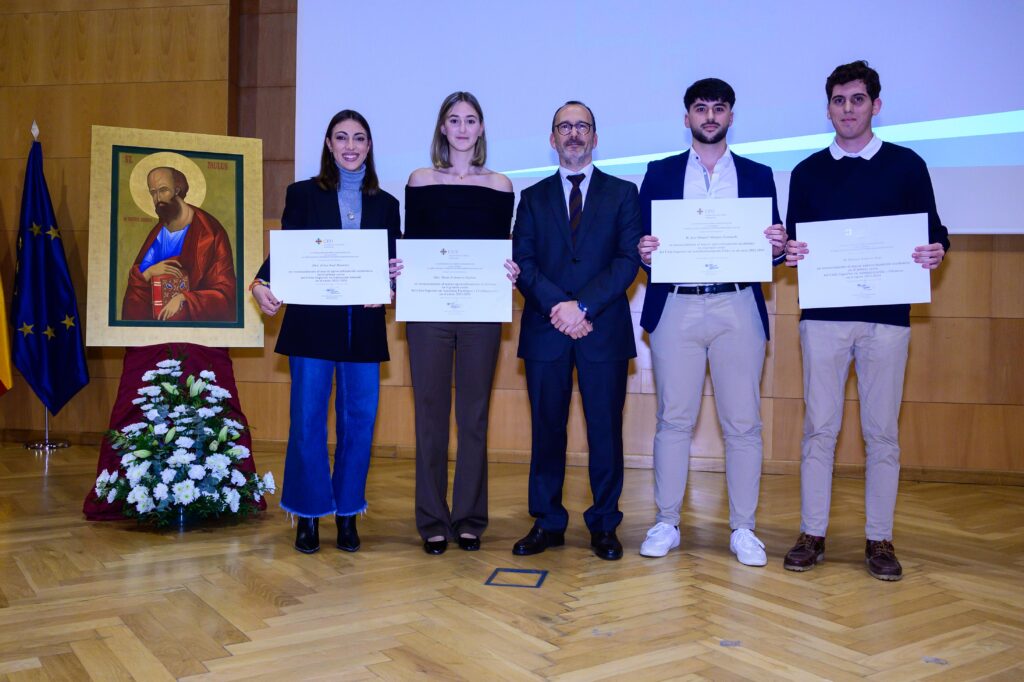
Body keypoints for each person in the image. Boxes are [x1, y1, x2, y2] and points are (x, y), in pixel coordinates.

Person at [783, 61, 949, 580]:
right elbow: (793, 238)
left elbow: (935, 231)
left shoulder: (907, 165)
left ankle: (880, 539)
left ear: (875, 105)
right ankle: (812, 534)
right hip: (823, 319)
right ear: (828, 108)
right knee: (819, 430)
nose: (847, 109)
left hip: (887, 320)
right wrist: (791, 250)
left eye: (857, 99)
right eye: (839, 100)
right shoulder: (807, 171)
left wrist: (937, 249)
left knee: (882, 434)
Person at [636, 78, 787, 566]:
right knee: (672, 420)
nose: (709, 116)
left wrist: (778, 246)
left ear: (731, 117)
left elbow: (773, 249)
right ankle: (666, 521)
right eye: (700, 108)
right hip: (676, 304)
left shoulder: (758, 175)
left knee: (743, 423)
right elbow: (641, 242)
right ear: (687, 118)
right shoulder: (658, 173)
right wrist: (644, 251)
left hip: (737, 304)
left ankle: (744, 528)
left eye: (718, 108)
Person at [251, 109, 401, 554]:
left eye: (359, 138)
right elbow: (288, 251)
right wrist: (260, 283)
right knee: (307, 421)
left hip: (363, 325)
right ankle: (309, 512)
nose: (350, 146)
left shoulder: (387, 204)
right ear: (329, 145)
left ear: (369, 146)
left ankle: (349, 511)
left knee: (360, 422)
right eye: (342, 137)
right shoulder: (302, 194)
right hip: (311, 325)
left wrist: (392, 282)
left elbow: (393, 264)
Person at [511, 101, 643, 561]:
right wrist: (560, 308)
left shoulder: (623, 193)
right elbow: (524, 262)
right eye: (564, 127)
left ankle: (604, 524)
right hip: (546, 330)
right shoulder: (531, 197)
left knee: (605, 431)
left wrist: (582, 307)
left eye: (582, 126)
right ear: (552, 139)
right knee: (546, 431)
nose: (573, 134)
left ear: (595, 137)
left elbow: (628, 259)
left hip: (601, 329)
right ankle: (547, 522)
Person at [404, 91, 517, 555]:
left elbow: (502, 247)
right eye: (454, 120)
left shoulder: (501, 186)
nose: (463, 128)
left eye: (471, 120)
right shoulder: (420, 179)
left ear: (481, 128)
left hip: (481, 314)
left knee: (474, 416)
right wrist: (399, 267)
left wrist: (511, 268)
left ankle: (469, 519)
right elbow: (413, 244)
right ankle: (432, 520)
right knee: (430, 415)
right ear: (442, 127)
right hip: (427, 312)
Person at [122, 166, 237, 322]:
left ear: (177, 189)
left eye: (163, 190)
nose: (158, 198)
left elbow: (225, 291)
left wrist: (184, 298)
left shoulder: (209, 232)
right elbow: (138, 287)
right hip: (156, 320)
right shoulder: (158, 233)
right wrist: (149, 272)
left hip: (192, 323)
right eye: (153, 192)